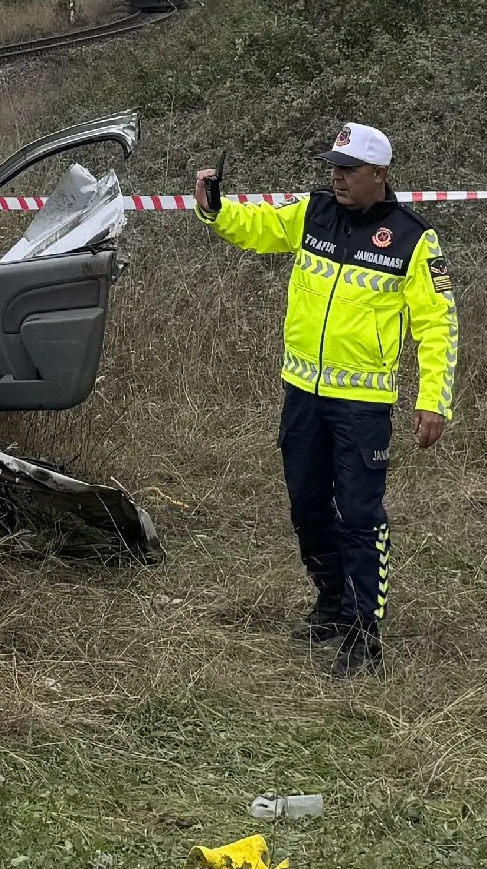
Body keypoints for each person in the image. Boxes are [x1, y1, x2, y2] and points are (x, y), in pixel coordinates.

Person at [193, 122, 455, 676]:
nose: (336, 177)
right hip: (302, 396)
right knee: (308, 510)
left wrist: (433, 399)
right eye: (332, 167)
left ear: (379, 174)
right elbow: (258, 227)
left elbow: (438, 326)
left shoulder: (413, 238)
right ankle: (333, 602)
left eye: (349, 169)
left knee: (359, 517)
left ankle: (364, 634)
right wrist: (216, 209)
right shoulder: (312, 212)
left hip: (362, 409)